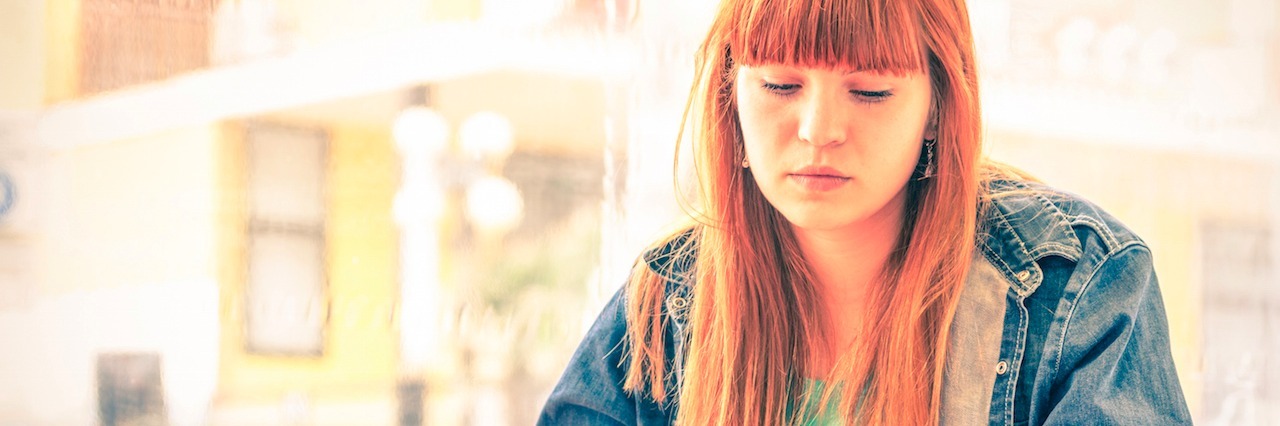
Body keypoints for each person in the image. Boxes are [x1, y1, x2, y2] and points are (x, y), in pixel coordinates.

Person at [539, 0, 1192, 424]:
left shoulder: (1078, 287)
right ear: (729, 95)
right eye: (780, 85)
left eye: (871, 90)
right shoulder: (667, 300)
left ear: (938, 104)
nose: (819, 130)